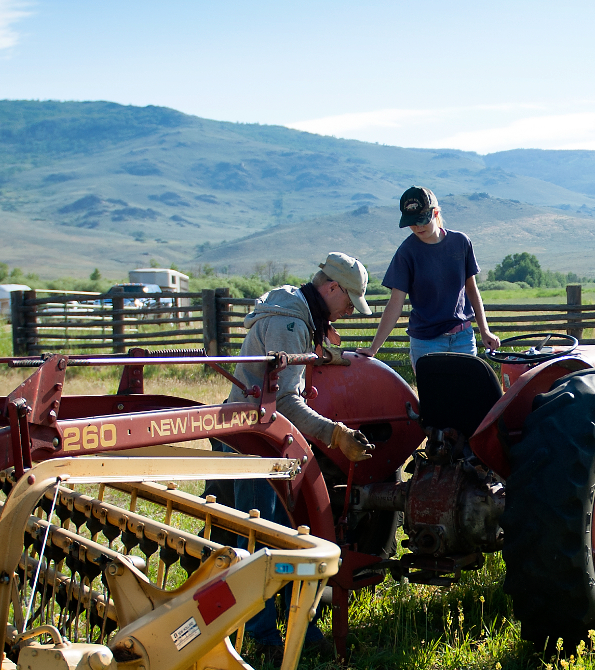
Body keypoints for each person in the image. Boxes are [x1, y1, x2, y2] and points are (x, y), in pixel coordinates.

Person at [206, 251, 376, 656]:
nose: (351, 311)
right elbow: (283, 401)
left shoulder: (292, 307)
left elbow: (286, 366)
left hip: (239, 434)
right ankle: (263, 637)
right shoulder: (290, 322)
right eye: (349, 300)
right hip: (258, 442)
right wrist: (334, 433)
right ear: (331, 287)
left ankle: (245, 620)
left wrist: (329, 353)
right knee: (263, 536)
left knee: (246, 533)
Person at [361, 186, 501, 362]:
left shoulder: (461, 242)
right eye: (412, 222)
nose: (418, 227)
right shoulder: (406, 253)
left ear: (435, 213)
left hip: (463, 338)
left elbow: (471, 289)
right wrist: (374, 348)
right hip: (426, 342)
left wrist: (484, 330)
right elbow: (395, 303)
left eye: (422, 220)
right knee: (433, 391)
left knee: (466, 390)